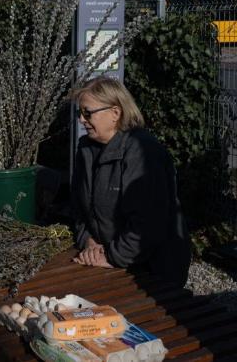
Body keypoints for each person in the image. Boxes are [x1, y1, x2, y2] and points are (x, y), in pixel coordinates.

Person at [70, 76, 190, 287]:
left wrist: (111, 257)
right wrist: (88, 242)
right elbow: (78, 207)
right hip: (105, 260)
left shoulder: (144, 153)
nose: (81, 119)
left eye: (87, 113)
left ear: (115, 113)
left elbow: (147, 224)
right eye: (80, 113)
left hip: (152, 271)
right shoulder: (85, 149)